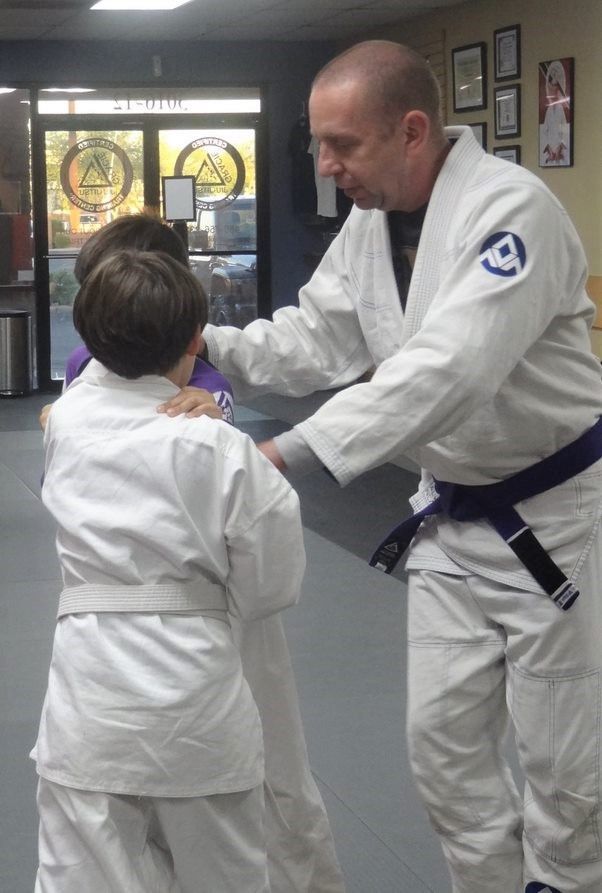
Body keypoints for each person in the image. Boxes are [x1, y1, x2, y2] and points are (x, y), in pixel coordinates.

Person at [162, 40, 602, 893]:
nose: (327, 167)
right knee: (442, 750)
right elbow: (314, 337)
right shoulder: (370, 226)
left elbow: (451, 369)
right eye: (318, 145)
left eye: (343, 146)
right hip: (450, 521)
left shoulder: (512, 211)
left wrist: (285, 451)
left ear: (410, 130)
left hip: (555, 526)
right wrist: (203, 340)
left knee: (564, 767)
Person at [39, 214, 346, 893]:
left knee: (85, 868)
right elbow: (272, 575)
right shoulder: (214, 444)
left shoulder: (82, 421)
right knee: (228, 859)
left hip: (92, 691)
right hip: (198, 677)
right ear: (192, 331)